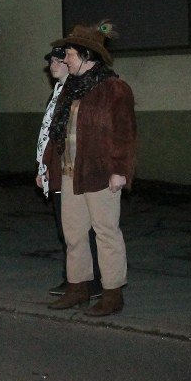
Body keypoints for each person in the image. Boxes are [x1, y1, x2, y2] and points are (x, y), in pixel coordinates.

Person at [43, 22, 136, 317]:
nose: (64, 58)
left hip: (100, 173)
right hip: (70, 172)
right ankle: (78, 287)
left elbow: (125, 133)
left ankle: (112, 292)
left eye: (69, 53)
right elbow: (56, 132)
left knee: (106, 232)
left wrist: (120, 169)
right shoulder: (70, 88)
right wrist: (47, 165)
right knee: (74, 234)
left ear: (86, 55)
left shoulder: (114, 88)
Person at [37, 47, 102, 300]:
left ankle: (91, 279)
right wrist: (42, 166)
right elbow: (47, 135)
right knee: (66, 228)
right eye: (51, 60)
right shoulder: (56, 94)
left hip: (71, 169)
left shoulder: (74, 93)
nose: (53, 64)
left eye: (58, 59)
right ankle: (74, 277)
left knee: (81, 228)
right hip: (55, 167)